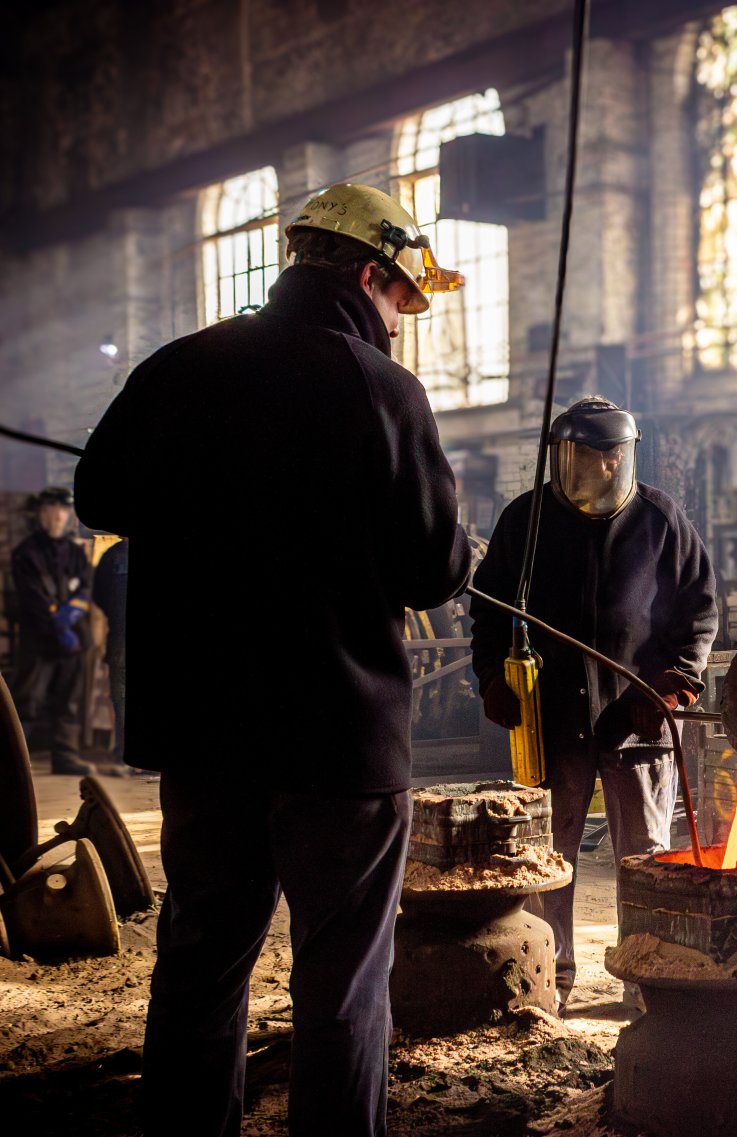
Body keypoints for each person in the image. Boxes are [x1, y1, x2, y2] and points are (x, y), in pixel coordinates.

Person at [75, 183, 470, 1137]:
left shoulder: (178, 368)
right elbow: (432, 572)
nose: (395, 326)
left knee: (202, 962)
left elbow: (99, 495)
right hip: (340, 745)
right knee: (340, 985)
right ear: (372, 273)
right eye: (397, 303)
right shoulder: (382, 391)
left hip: (206, 739)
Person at [469, 396, 717, 1013]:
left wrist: (673, 685)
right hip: (551, 719)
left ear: (625, 459)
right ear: (563, 458)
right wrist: (491, 677)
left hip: (637, 724)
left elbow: (701, 613)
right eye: (587, 460)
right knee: (548, 857)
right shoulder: (524, 521)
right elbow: (489, 613)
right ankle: (549, 977)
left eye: (612, 460)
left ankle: (647, 978)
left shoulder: (661, 521)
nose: (600, 472)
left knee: (646, 858)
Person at [9, 486, 92, 775]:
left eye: (62, 510)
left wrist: (69, 616)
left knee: (68, 700)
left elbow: (84, 587)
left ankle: (65, 757)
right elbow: (33, 598)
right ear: (41, 514)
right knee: (28, 700)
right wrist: (57, 624)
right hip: (39, 639)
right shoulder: (26, 553)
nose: (57, 515)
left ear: (68, 514)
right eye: (50, 509)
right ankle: (14, 764)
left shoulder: (74, 553)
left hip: (72, 641)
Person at [91, 536, 129, 765]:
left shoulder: (113, 556)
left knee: (121, 695)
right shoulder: (113, 557)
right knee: (120, 695)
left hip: (118, 638)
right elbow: (99, 596)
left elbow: (99, 597)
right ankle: (124, 751)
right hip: (118, 641)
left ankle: (125, 752)